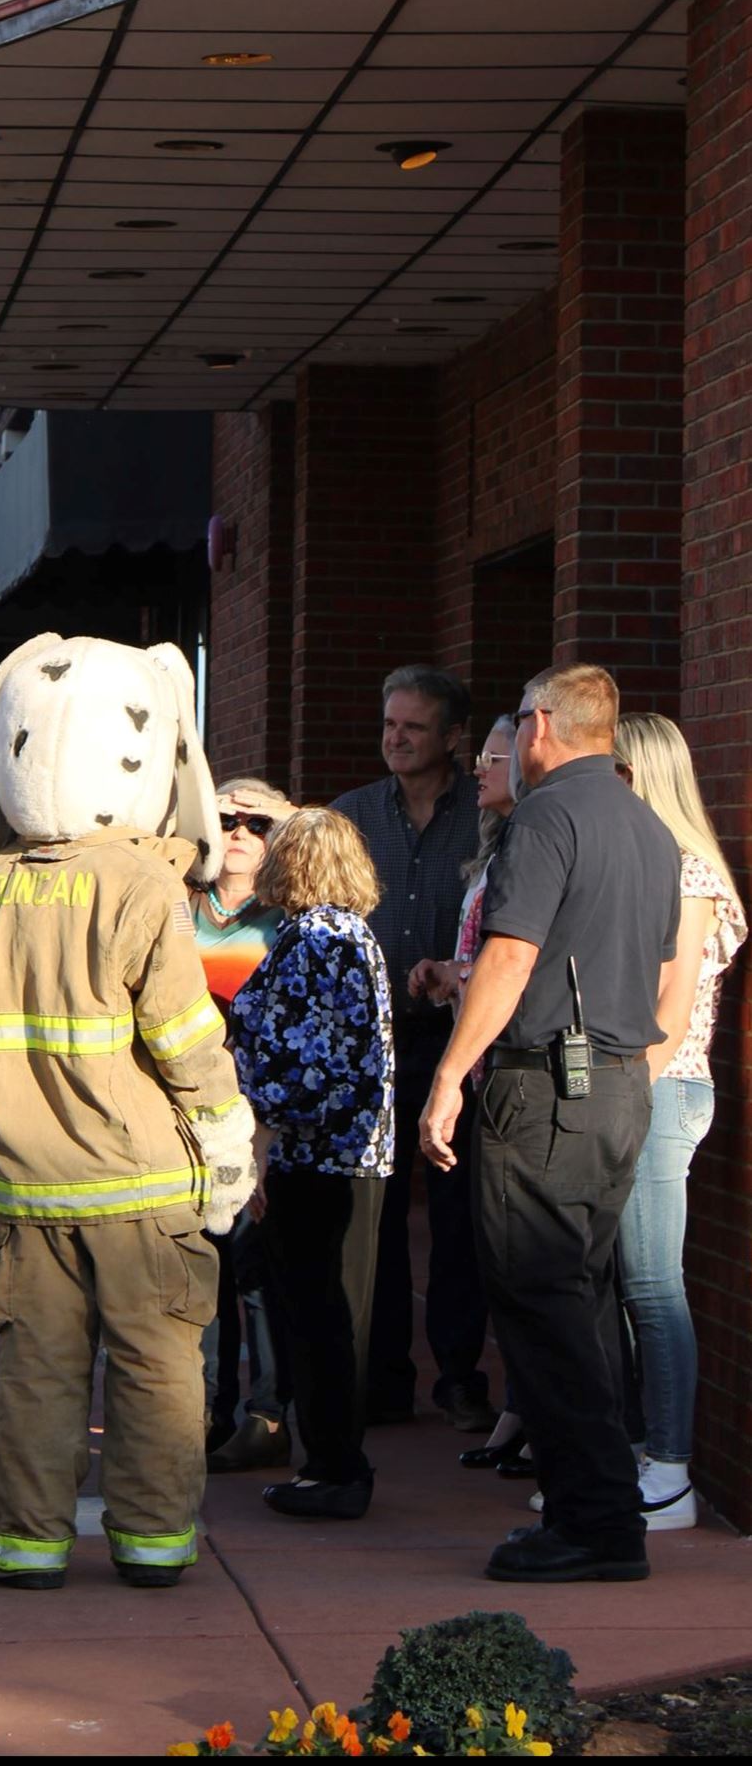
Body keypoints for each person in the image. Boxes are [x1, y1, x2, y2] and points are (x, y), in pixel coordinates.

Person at [0, 632, 255, 1592]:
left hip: (28, 1186)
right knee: (157, 1369)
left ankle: (25, 1545)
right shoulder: (141, 884)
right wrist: (228, 1134)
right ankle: (153, 1542)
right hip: (141, 1182)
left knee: (38, 1373)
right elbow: (185, 1039)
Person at [419, 664, 682, 1584]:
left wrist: (451, 1075)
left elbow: (512, 951)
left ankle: (595, 1523)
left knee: (542, 1302)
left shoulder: (546, 816)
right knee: (577, 1298)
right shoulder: (649, 828)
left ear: (538, 726)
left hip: (548, 1088)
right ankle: (600, 1511)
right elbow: (648, 970)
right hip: (615, 1087)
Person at [333, 665, 491, 1431]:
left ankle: (459, 1375)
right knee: (376, 1212)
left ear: (454, 737)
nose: (396, 738)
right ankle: (382, 1374)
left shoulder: (489, 820)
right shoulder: (354, 816)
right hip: (374, 1042)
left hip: (461, 1040)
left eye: (414, 727)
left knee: (461, 1212)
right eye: (389, 724)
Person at [227, 808, 395, 1522]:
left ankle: (334, 1467)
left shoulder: (315, 940)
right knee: (325, 1311)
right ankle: (329, 1460)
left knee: (319, 1316)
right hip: (346, 1154)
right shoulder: (345, 934)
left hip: (319, 1156)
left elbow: (311, 1062)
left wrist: (250, 1113)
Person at [613, 712, 746, 1534]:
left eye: (616, 775)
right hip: (637, 1091)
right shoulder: (642, 862)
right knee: (627, 1287)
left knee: (655, 1285)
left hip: (663, 1092)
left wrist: (628, 1097)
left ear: (647, 777)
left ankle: (670, 1468)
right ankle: (640, 1454)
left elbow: (668, 1007)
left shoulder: (689, 871)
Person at [409, 716, 531, 1479]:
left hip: (508, 1078)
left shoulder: (540, 845)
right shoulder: (499, 843)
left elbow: (515, 961)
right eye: (483, 753)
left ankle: (542, 1425)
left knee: (529, 1263)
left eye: (496, 754)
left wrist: (450, 1072)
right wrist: (449, 974)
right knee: (500, 1258)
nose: (484, 767)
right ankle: (519, 1416)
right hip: (482, 1069)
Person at [190, 777, 294, 1476]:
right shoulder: (177, 908)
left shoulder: (287, 917)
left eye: (256, 824)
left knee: (257, 1270)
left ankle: (267, 1414)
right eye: (225, 818)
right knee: (197, 1271)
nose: (238, 832)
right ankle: (198, 1410)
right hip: (185, 1113)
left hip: (257, 1117)